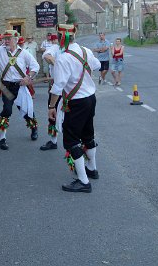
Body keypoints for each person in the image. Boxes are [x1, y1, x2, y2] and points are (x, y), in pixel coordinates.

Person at [48, 24, 101, 193]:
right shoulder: (85, 51)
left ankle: (83, 181)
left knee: (71, 141)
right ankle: (92, 169)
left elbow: (58, 86)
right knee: (87, 134)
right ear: (74, 36)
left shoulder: (63, 58)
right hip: (90, 98)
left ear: (60, 38)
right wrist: (81, 70)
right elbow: (97, 65)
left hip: (76, 103)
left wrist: (51, 106)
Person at [0, 30, 40, 150]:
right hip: (6, 87)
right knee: (7, 110)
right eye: (4, 39)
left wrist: (28, 77)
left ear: (16, 40)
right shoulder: (0, 50)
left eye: (8, 39)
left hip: (20, 86)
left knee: (27, 111)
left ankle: (34, 128)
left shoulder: (24, 53)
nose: (5, 41)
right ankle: (2, 138)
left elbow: (35, 66)